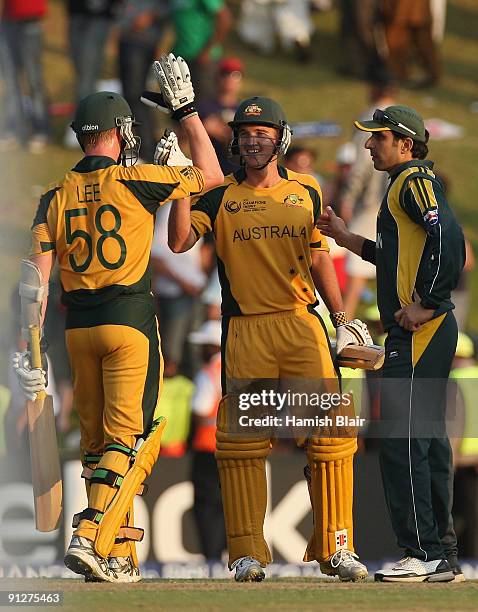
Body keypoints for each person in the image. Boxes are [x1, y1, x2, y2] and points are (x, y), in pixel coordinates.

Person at [12, 54, 223, 583]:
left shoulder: (51, 198)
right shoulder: (138, 179)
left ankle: (118, 552)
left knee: (95, 445)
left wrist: (27, 349)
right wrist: (185, 116)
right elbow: (215, 178)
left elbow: (32, 284)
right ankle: (90, 534)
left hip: (76, 330)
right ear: (117, 132)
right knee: (129, 440)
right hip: (127, 319)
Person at [163, 96, 373, 582]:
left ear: (281, 139)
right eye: (245, 132)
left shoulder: (308, 189)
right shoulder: (218, 197)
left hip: (302, 325)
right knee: (241, 444)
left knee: (331, 436)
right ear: (234, 140)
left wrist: (340, 315)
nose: (253, 139)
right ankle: (247, 554)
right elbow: (178, 243)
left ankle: (337, 547)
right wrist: (178, 187)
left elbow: (321, 257)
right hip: (246, 329)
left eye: (263, 132)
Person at [317, 104, 466, 582]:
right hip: (425, 330)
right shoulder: (403, 186)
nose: (368, 144)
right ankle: (441, 554)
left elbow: (449, 235)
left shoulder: (413, 180)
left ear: (405, 142)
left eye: (377, 137)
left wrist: (430, 302)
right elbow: (397, 254)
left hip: (419, 330)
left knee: (404, 443)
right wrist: (346, 239)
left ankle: (420, 551)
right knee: (426, 440)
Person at [188, 319, 226, 561]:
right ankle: (230, 555)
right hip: (236, 447)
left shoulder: (208, 372)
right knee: (229, 504)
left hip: (207, 447)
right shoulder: (240, 367)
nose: (200, 350)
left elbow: (201, 409)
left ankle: (212, 557)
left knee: (207, 506)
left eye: (204, 345)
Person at [0, 0, 50, 152]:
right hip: (8, 22)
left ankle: (41, 130)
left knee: (34, 80)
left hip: (31, 21)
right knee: (10, 80)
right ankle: (12, 130)